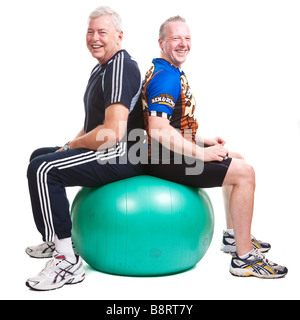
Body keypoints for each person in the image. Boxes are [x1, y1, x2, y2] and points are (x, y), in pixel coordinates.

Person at [142, 16, 288, 278]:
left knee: (238, 158)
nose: (183, 44)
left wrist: (201, 140)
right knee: (245, 173)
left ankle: (233, 237)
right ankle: (244, 259)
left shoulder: (167, 70)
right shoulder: (166, 77)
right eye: (176, 38)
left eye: (187, 38)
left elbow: (168, 124)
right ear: (161, 42)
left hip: (165, 153)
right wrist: (201, 153)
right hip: (162, 160)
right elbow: (157, 129)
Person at [25, 6, 145, 291]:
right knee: (40, 156)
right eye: (90, 32)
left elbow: (113, 132)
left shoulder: (120, 66)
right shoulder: (102, 67)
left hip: (124, 153)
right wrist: (67, 147)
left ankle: (68, 261)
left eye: (102, 32)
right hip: (110, 147)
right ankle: (56, 241)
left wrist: (72, 146)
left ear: (119, 36)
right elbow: (94, 124)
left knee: (43, 169)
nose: (95, 38)